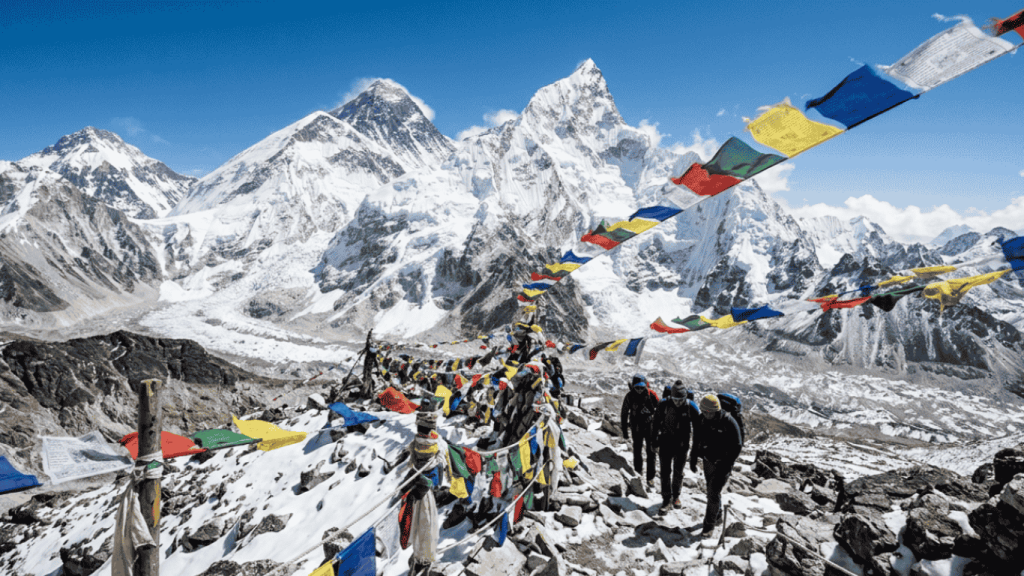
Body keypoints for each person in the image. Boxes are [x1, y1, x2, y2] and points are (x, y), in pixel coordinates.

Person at [690, 393, 743, 535]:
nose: (706, 414)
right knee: (711, 491)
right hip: (708, 461)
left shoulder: (729, 421)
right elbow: (696, 440)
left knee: (713, 493)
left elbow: (737, 445)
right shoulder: (701, 420)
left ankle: (709, 526)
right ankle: (717, 514)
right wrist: (693, 458)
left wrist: (727, 463)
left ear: (716, 410)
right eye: (704, 411)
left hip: (723, 464)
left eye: (709, 412)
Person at [652, 382, 700, 512]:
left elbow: (698, 431)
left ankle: (676, 497)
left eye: (681, 400)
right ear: (671, 397)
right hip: (665, 443)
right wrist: (654, 442)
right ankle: (666, 499)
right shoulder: (664, 404)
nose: (678, 403)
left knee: (678, 473)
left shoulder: (691, 407)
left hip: (682, 445)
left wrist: (695, 453)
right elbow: (655, 423)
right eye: (675, 399)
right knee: (665, 472)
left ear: (686, 397)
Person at [621, 374, 660, 487]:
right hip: (636, 427)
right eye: (637, 387)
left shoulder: (651, 395)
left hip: (650, 427)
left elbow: (660, 411)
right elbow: (624, 413)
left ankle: (650, 478)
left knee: (651, 452)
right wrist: (625, 431)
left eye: (641, 387)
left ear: (645, 387)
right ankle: (638, 473)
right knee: (637, 451)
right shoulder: (629, 396)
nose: (639, 390)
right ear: (633, 386)